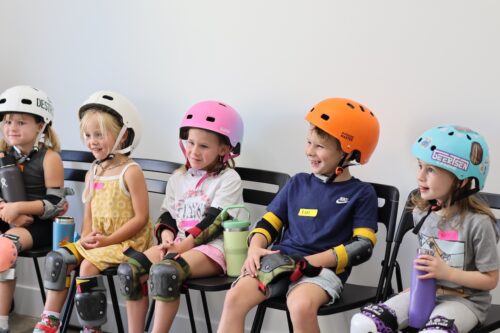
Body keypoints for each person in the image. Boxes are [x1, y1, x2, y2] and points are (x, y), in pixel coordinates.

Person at [218, 97, 380, 333]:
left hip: (322, 272)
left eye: (320, 146)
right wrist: (255, 248)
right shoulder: (297, 183)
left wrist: (310, 262)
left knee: (300, 305)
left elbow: (363, 245)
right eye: (308, 142)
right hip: (279, 261)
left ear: (348, 152)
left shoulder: (362, 193)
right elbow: (268, 223)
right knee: (234, 298)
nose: (309, 151)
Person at [351, 125, 499, 333]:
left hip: (466, 302)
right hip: (426, 293)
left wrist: (446, 273)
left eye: (430, 170)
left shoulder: (479, 224)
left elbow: (490, 280)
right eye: (420, 166)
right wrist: (417, 286)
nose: (420, 176)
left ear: (461, 180)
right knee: (363, 324)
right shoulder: (422, 213)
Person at [117, 100, 244, 333]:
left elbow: (215, 221)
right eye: (191, 143)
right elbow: (168, 215)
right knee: (131, 270)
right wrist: (167, 237)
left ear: (224, 149)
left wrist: (184, 245)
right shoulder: (178, 177)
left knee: (165, 272)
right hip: (178, 245)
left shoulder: (229, 179)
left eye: (204, 146)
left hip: (213, 248)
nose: (194, 151)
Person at [34, 91, 153, 333]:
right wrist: (85, 237)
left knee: (87, 268)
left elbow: (141, 218)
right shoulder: (94, 172)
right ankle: (50, 319)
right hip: (99, 239)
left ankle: (91, 328)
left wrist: (108, 240)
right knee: (59, 258)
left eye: (99, 135)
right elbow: (89, 213)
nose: (92, 141)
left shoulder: (131, 171)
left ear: (123, 136)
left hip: (128, 242)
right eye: (87, 135)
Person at [0, 85, 69, 333]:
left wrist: (19, 207)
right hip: (8, 217)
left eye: (21, 122)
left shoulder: (50, 158)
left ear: (40, 126)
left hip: (39, 226)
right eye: (8, 121)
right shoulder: (3, 155)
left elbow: (56, 203)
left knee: (3, 249)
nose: (12, 128)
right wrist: (7, 210)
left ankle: (2, 321)